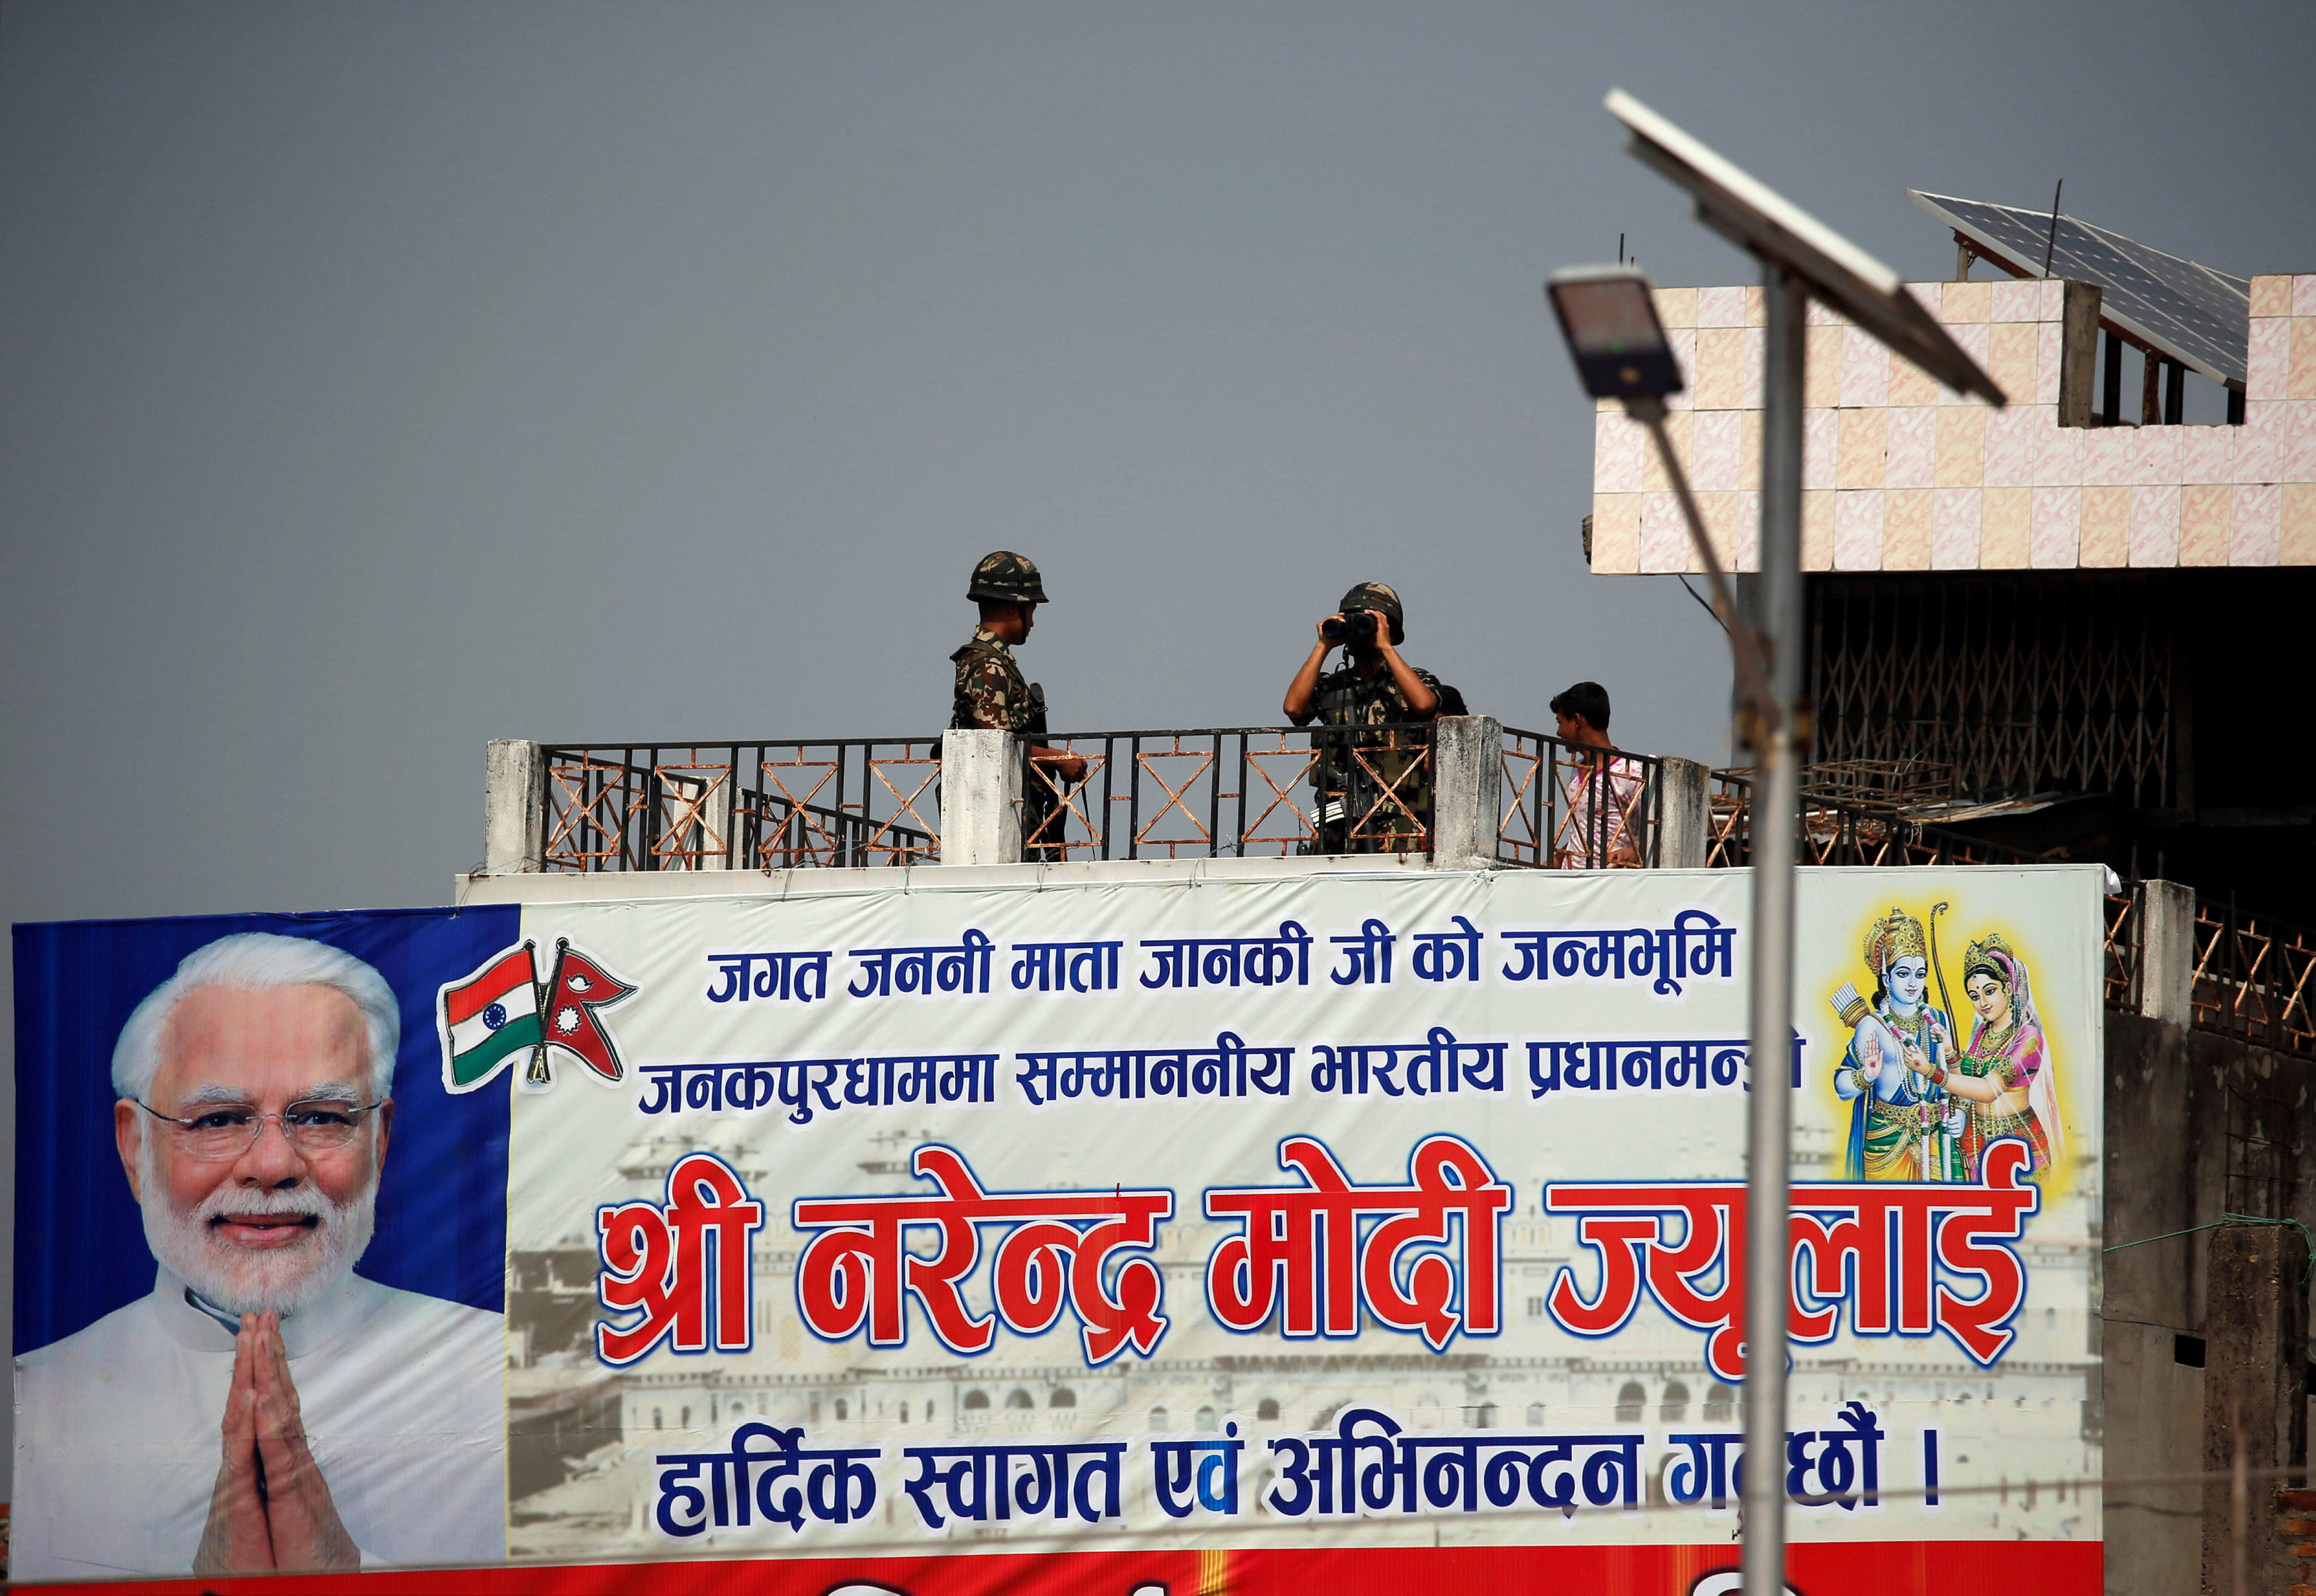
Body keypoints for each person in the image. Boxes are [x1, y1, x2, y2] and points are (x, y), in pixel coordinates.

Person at [11, 934, 505, 1581]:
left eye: (321, 1116)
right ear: (135, 1149)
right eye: (218, 1120)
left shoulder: (508, 1380)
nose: (272, 1165)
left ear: (379, 1141)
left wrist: (342, 1574)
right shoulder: (40, 1397)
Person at [1282, 582, 1441, 853]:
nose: (1360, 631)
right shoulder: (1333, 685)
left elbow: (1425, 705)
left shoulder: (1413, 681)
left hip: (1399, 819)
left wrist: (1387, 647)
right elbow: (1294, 709)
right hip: (1339, 822)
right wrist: (1324, 645)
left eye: (1367, 622)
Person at [951, 550, 1086, 856]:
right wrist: (1058, 759)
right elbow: (994, 747)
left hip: (1015, 812)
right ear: (1015, 607)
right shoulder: (987, 665)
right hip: (995, 816)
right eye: (1032, 611)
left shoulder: (996, 662)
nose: (1034, 622)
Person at [1830, 908, 1965, 1182]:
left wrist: (1959, 1113)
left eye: (1920, 973)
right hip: (1888, 1140)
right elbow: (1841, 1087)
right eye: (1904, 974)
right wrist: (1866, 1075)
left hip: (1938, 1136)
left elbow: (1955, 1074)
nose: (1913, 983)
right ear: (1886, 978)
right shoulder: (1873, 1025)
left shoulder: (1936, 1019)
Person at [1934, 934, 2061, 1180]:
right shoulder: (1983, 1033)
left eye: (1989, 991)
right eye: (1974, 996)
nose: (1982, 1002)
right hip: (1978, 1141)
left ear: (2009, 986)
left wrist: (1931, 1072)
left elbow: (1988, 1090)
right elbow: (1967, 1084)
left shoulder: (2028, 1037)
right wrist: (1950, 1053)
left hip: (2019, 1143)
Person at [1548, 680, 1643, 867]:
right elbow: (1584, 833)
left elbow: (1662, 827)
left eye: (1560, 722)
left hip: (1609, 883)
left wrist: (1635, 851)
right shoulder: (1578, 770)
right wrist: (1556, 861)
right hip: (1573, 883)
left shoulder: (1630, 771)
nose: (1558, 732)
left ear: (1576, 720)